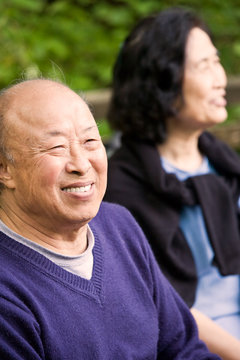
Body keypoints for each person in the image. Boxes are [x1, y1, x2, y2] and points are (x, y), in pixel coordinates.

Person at [0, 78, 220, 359]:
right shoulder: (7, 292)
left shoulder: (118, 224)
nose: (81, 164)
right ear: (4, 168)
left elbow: (182, 348)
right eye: (56, 148)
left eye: (91, 141)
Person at [104, 7, 240, 359]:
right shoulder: (121, 186)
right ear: (162, 80)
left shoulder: (226, 165)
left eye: (217, 61)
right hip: (193, 346)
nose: (220, 78)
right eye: (203, 66)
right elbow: (163, 302)